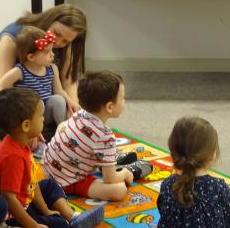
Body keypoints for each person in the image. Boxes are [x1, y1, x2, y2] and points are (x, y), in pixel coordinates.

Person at [0, 88, 105, 228]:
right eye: (41, 116)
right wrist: (34, 227)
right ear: (26, 125)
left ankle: (71, 216)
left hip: (23, 200)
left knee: (49, 184)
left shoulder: (20, 143)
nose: (43, 119)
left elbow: (31, 183)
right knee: (59, 227)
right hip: (8, 216)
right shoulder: (12, 156)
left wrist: (45, 210)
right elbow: (9, 199)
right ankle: (65, 223)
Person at [0, 3, 87, 142]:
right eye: (56, 33)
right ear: (50, 19)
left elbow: (68, 81)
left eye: (66, 41)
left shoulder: (65, 44)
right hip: (7, 109)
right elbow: (5, 94)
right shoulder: (12, 38)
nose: (57, 42)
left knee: (80, 120)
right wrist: (28, 126)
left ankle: (47, 133)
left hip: (42, 108)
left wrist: (72, 112)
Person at [42, 70, 153, 202]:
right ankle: (121, 166)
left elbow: (61, 127)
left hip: (46, 168)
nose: (124, 101)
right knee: (119, 190)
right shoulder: (105, 136)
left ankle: (107, 161)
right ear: (110, 107)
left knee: (89, 146)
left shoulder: (80, 113)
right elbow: (110, 180)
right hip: (68, 182)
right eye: (122, 98)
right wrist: (125, 174)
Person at [0, 26, 80, 135]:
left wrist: (70, 101)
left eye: (52, 50)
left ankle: (63, 131)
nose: (52, 55)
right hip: (28, 114)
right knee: (35, 103)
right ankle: (33, 133)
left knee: (58, 100)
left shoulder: (52, 69)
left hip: (45, 113)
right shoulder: (20, 71)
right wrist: (4, 106)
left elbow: (59, 91)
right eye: (47, 52)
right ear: (31, 57)